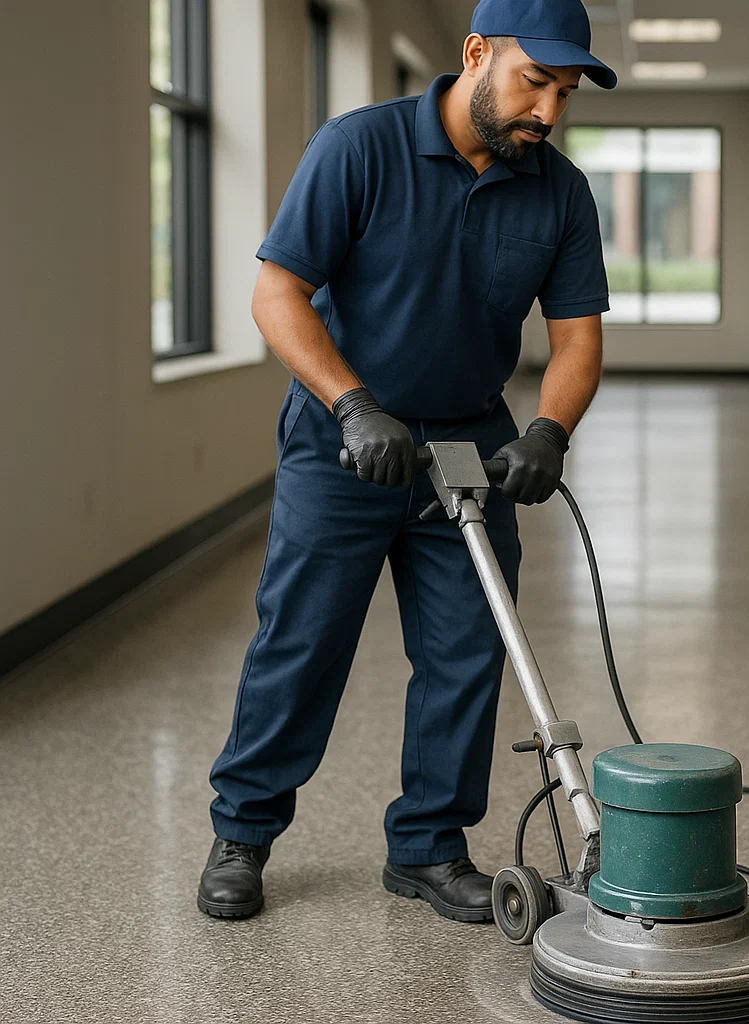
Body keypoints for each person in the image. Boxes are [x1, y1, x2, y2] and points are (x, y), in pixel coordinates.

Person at [197, 0, 616, 923]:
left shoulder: (559, 190)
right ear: (476, 54)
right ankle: (244, 832)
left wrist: (548, 430)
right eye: (533, 81)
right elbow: (278, 294)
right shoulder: (359, 148)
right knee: (302, 642)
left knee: (471, 649)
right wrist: (352, 403)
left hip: (470, 441)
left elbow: (576, 338)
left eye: (565, 91)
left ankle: (428, 847)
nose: (548, 110)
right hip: (344, 442)